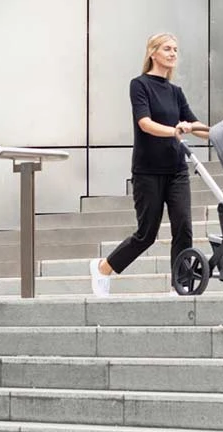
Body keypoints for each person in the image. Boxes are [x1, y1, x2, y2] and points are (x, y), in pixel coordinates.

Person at [90, 33, 209, 297]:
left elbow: (194, 124)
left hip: (176, 170)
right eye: (167, 48)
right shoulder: (139, 85)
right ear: (153, 53)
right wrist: (175, 130)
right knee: (146, 234)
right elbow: (145, 123)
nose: (173, 53)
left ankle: (181, 285)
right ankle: (103, 268)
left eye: (175, 49)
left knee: (184, 227)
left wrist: (218, 133)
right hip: (148, 171)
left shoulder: (176, 92)